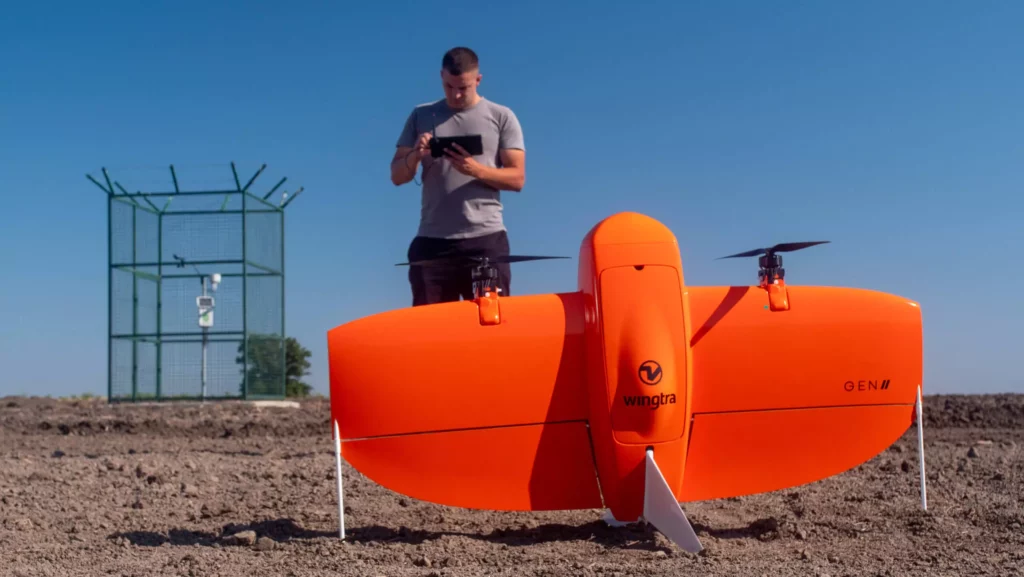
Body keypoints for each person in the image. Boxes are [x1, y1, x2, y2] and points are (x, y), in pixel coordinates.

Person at [390, 46, 526, 306]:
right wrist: (416, 154)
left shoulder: (501, 116)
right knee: (433, 335)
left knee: (490, 329)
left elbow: (518, 178)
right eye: (449, 86)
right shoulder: (421, 115)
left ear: (478, 80)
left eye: (463, 87)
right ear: (441, 76)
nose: (456, 94)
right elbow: (397, 176)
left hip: (485, 241)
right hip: (432, 243)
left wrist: (474, 169)